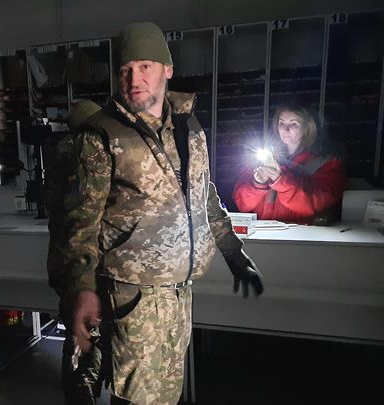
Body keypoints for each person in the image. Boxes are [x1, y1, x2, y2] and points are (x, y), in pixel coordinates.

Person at [56, 22, 265, 405]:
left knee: (168, 394)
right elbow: (78, 227)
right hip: (133, 297)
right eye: (124, 70)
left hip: (180, 292)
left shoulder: (188, 126)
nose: (134, 79)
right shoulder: (101, 136)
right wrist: (81, 291)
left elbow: (204, 198)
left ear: (167, 70)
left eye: (145, 67)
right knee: (136, 398)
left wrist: (233, 252)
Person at [46, 99, 103, 404]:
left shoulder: (58, 152)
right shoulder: (87, 151)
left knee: (78, 328)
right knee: (87, 331)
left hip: (62, 258)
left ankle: (80, 388)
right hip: (81, 262)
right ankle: (82, 390)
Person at [232, 105, 347, 224]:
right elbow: (242, 204)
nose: (285, 129)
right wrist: (258, 184)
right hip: (261, 233)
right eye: (281, 123)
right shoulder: (263, 158)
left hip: (297, 237)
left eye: (293, 124)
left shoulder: (326, 162)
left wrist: (281, 181)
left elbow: (315, 203)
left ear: (307, 128)